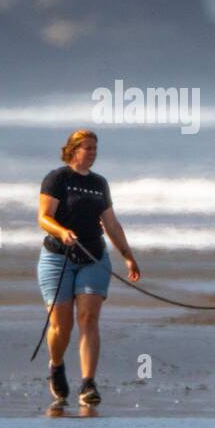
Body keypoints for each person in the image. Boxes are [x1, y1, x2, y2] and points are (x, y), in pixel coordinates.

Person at [37, 129, 140, 406]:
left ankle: (88, 383)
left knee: (88, 318)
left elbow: (111, 224)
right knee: (62, 325)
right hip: (58, 257)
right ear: (73, 150)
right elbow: (44, 217)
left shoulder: (99, 183)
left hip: (94, 257)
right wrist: (61, 232)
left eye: (95, 148)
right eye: (87, 148)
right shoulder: (58, 178)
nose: (92, 153)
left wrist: (128, 256)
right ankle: (56, 365)